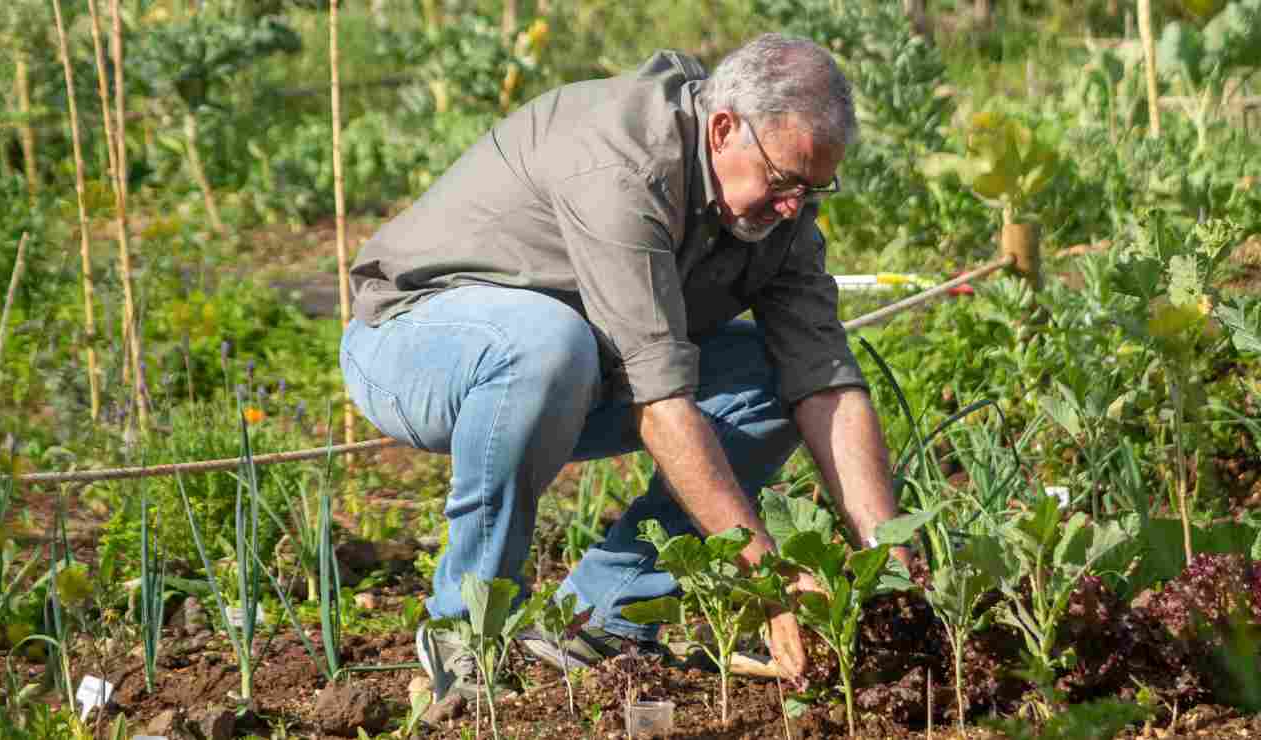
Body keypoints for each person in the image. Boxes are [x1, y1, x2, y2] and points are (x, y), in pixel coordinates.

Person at [339, 33, 905, 702]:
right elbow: (661, 404)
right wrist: (769, 578)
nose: (793, 207)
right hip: (415, 344)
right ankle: (466, 630)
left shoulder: (781, 215)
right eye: (783, 181)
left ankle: (600, 619)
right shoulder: (624, 162)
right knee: (549, 344)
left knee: (768, 375)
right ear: (723, 129)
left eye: (813, 189)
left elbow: (824, 379)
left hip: (574, 370)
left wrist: (888, 560)